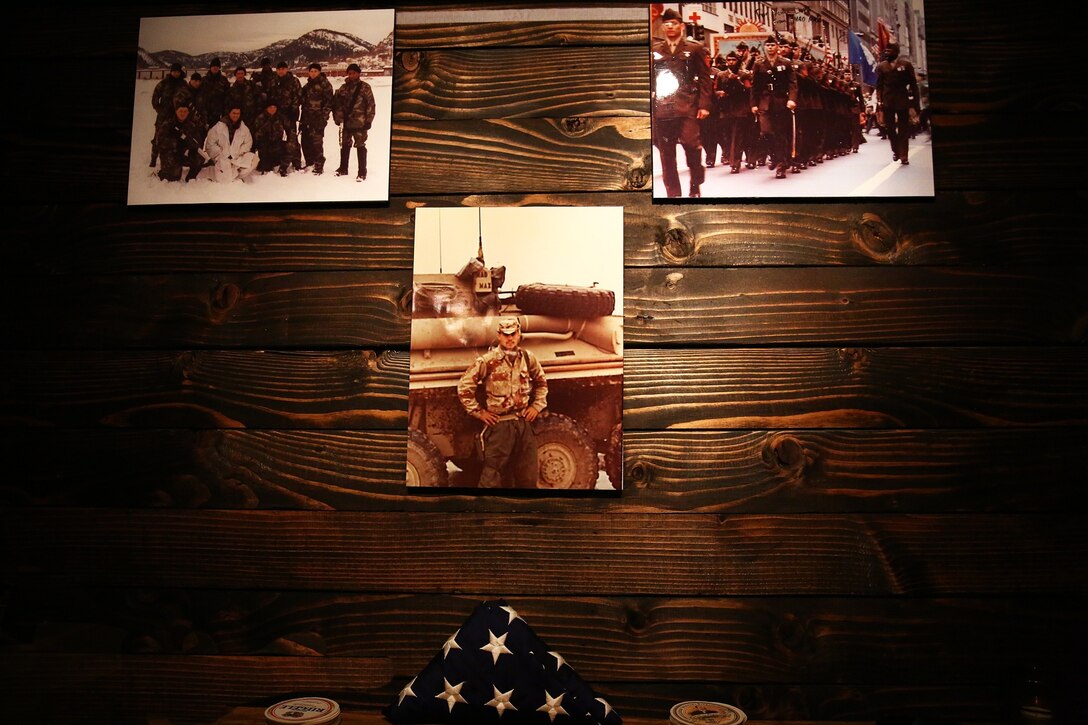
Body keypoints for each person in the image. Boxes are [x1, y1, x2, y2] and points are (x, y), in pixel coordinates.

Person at [457, 317, 548, 488]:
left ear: (519, 334)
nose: (510, 338)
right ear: (499, 336)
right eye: (505, 334)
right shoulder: (487, 361)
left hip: (523, 424)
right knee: (492, 476)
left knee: (528, 476)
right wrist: (479, 412)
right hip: (500, 426)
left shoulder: (528, 359)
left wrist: (536, 406)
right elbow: (464, 387)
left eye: (513, 333)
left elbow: (542, 383)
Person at [650, 8, 712, 197]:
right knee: (666, 154)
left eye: (674, 24)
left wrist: (704, 105)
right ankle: (673, 194)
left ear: (682, 27)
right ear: (662, 27)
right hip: (663, 109)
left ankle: (695, 183)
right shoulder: (655, 51)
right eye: (666, 24)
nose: (670, 27)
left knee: (692, 145)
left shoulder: (693, 49)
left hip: (687, 106)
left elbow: (705, 78)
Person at [750, 35, 798, 179]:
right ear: (765, 47)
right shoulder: (759, 64)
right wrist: (753, 104)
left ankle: (781, 165)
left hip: (781, 102)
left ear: (777, 47)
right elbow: (755, 86)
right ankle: (775, 157)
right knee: (766, 132)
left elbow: (793, 84)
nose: (770, 48)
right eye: (768, 45)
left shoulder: (786, 63)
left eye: (772, 45)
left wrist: (791, 99)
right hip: (764, 103)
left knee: (781, 134)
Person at [875, 40, 920, 165]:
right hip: (887, 101)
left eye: (890, 51)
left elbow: (913, 85)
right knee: (890, 129)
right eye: (886, 50)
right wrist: (879, 102)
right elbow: (879, 86)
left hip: (902, 101)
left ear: (896, 52)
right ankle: (896, 150)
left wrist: (914, 104)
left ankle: (904, 155)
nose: (887, 53)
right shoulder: (881, 66)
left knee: (903, 129)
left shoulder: (906, 65)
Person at [332, 63, 376, 179]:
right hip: (347, 122)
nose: (351, 75)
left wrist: (369, 120)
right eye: (350, 73)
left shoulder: (365, 87)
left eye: (354, 73)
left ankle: (362, 172)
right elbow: (337, 104)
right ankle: (343, 168)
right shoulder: (343, 88)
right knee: (345, 146)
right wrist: (338, 118)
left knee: (360, 146)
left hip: (360, 123)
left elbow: (371, 105)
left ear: (358, 74)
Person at [203, 105, 259, 184]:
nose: (236, 115)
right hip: (222, 157)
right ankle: (226, 174)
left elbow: (248, 143)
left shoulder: (243, 128)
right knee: (225, 181)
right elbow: (210, 144)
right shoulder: (218, 127)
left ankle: (237, 174)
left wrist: (239, 152)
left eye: (238, 113)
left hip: (237, 156)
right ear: (229, 113)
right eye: (234, 113)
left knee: (254, 159)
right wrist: (220, 154)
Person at [154, 104, 205, 182]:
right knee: (174, 178)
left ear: (188, 112)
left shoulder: (191, 125)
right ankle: (162, 172)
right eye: (180, 111)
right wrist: (176, 143)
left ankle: (190, 178)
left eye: (185, 111)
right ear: (176, 111)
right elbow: (159, 142)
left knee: (200, 157)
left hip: (183, 153)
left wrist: (191, 149)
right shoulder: (167, 124)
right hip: (170, 153)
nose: (182, 113)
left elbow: (196, 141)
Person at [150, 62, 187, 167]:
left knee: (177, 138)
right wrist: (160, 110)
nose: (176, 73)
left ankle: (175, 159)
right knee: (158, 137)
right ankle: (153, 159)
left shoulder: (183, 84)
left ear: (180, 72)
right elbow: (155, 98)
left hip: (179, 117)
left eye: (178, 72)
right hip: (163, 116)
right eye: (174, 71)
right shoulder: (163, 83)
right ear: (171, 72)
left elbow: (189, 98)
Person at [300, 63, 334, 174]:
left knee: (317, 142)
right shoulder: (307, 85)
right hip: (306, 118)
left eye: (315, 71)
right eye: (311, 71)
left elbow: (329, 103)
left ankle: (319, 165)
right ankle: (310, 162)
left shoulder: (325, 84)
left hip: (318, 118)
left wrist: (323, 118)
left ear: (319, 72)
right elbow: (303, 103)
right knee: (305, 140)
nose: (313, 73)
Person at [271, 61, 303, 170]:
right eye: (279, 69)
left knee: (292, 138)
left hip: (290, 114)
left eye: (283, 69)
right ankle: (278, 160)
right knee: (277, 137)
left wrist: (293, 109)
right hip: (277, 115)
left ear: (287, 69)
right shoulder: (273, 81)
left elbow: (298, 96)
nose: (281, 71)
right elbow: (271, 97)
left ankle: (296, 162)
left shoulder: (294, 81)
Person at [253, 101, 291, 176]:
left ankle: (283, 168)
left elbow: (289, 129)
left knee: (290, 146)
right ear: (266, 108)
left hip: (277, 144)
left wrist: (290, 140)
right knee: (267, 168)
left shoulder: (281, 117)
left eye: (274, 107)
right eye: (270, 107)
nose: (273, 109)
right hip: (265, 147)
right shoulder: (260, 118)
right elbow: (255, 135)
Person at [202, 58, 230, 127]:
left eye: (217, 66)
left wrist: (225, 111)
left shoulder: (224, 80)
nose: (215, 68)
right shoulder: (204, 80)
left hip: (218, 112)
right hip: (204, 111)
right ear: (210, 67)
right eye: (213, 66)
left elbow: (228, 95)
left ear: (219, 68)